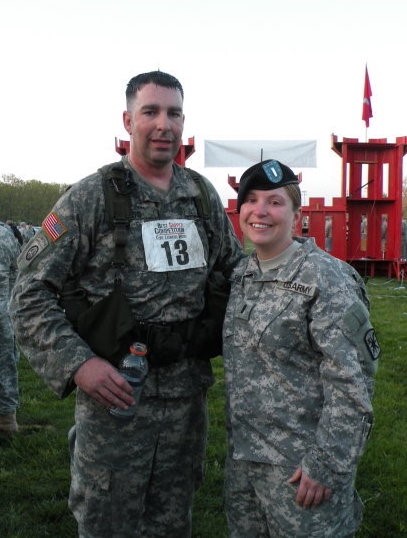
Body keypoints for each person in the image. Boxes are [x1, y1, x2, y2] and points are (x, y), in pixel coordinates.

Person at [11, 70, 243, 537]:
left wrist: (297, 270)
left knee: (172, 523)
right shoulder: (91, 198)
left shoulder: (200, 195)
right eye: (150, 112)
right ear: (127, 121)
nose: (164, 125)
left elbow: (235, 274)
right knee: (107, 522)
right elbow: (29, 294)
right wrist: (79, 366)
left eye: (173, 113)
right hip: (116, 401)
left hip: (184, 403)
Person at [222, 159, 379, 537]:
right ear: (240, 210)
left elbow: (353, 381)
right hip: (245, 465)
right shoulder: (243, 275)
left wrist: (326, 464)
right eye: (251, 200)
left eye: (275, 202)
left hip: (301, 473)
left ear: (297, 213)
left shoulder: (327, 278)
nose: (260, 211)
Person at [0, 222, 21, 437]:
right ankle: (7, 420)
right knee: (6, 364)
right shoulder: (6, 235)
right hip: (4, 311)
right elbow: (18, 273)